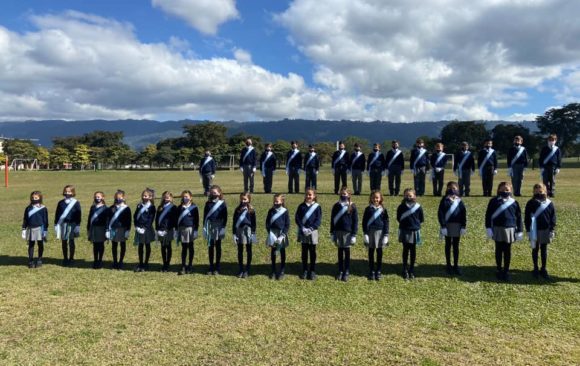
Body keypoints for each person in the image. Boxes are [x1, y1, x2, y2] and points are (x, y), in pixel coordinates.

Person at [485, 182, 523, 282]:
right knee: (498, 249)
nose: (504, 191)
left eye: (507, 190)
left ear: (511, 191)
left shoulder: (514, 202)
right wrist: (488, 227)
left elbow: (519, 217)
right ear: (498, 190)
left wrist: (520, 230)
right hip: (497, 228)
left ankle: (506, 270)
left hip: (510, 229)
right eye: (502, 190)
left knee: (507, 250)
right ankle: (499, 269)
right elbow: (488, 215)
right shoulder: (494, 201)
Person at [524, 183, 556, 279]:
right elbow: (527, 218)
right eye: (536, 191)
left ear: (545, 191)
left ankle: (543, 268)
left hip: (545, 230)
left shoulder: (549, 203)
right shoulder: (530, 203)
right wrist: (528, 230)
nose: (539, 193)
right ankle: (535, 268)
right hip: (534, 230)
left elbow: (553, 217)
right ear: (533, 192)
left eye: (541, 191)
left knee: (544, 250)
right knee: (535, 249)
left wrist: (552, 229)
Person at [437, 182, 467, 275]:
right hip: (447, 226)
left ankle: (456, 265)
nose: (452, 190)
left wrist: (463, 226)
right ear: (446, 189)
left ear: (457, 189)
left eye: (454, 188)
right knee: (448, 245)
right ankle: (448, 265)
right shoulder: (444, 200)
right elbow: (440, 213)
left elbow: (463, 214)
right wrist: (443, 226)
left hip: (457, 226)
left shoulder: (459, 201)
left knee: (456, 246)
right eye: (450, 188)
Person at [330, 187, 358, 281]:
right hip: (338, 232)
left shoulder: (352, 206)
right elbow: (332, 220)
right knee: (340, 251)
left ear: (349, 195)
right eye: (341, 194)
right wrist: (332, 232)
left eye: (345, 194)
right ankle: (340, 270)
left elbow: (355, 221)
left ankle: (346, 271)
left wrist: (354, 234)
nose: (343, 195)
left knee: (347, 252)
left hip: (348, 233)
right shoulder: (336, 206)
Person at [397, 188, 424, 280]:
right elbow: (398, 217)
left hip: (414, 230)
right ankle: (404, 268)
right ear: (404, 196)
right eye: (406, 195)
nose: (408, 197)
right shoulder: (401, 206)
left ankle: (411, 268)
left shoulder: (418, 207)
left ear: (414, 196)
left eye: (410, 195)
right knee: (405, 249)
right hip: (405, 230)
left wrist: (414, 225)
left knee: (413, 249)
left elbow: (421, 218)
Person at [362, 190, 389, 281]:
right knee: (371, 251)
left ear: (380, 198)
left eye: (377, 197)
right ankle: (371, 270)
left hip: (380, 232)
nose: (375, 199)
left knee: (379, 251)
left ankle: (379, 270)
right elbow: (364, 222)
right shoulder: (368, 209)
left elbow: (386, 222)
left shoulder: (383, 210)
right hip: (370, 232)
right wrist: (365, 233)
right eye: (373, 197)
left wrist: (386, 235)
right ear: (370, 198)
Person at [295, 188, 322, 280]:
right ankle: (305, 269)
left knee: (312, 251)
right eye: (307, 194)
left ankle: (313, 270)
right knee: (304, 251)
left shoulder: (317, 207)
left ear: (314, 196)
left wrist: (311, 228)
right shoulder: (301, 206)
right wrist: (302, 227)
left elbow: (318, 220)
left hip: (313, 231)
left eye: (310, 195)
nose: (308, 196)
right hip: (303, 231)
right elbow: (297, 218)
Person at [55, 185, 82, 266]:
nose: (67, 193)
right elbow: (57, 214)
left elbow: (79, 214)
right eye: (66, 191)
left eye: (69, 191)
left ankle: (71, 258)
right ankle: (65, 258)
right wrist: (56, 224)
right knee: (64, 241)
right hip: (63, 224)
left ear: (73, 192)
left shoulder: (76, 203)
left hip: (72, 224)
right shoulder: (61, 203)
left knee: (71, 241)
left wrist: (77, 225)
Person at [203, 185, 228, 275]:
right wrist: (204, 227)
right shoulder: (208, 203)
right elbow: (205, 216)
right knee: (210, 246)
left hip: (218, 226)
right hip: (210, 226)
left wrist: (223, 227)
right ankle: (211, 265)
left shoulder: (222, 203)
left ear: (219, 193)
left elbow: (225, 217)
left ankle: (217, 265)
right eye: (212, 192)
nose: (214, 194)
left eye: (215, 192)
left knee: (218, 246)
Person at [265, 194, 290, 280]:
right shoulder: (271, 211)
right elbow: (267, 223)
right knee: (273, 251)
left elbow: (287, 224)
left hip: (281, 234)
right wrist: (270, 233)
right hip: (273, 233)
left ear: (282, 202)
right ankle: (273, 269)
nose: (276, 203)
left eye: (277, 201)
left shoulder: (285, 211)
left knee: (282, 251)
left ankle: (282, 270)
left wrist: (282, 235)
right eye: (274, 201)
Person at [232, 192, 257, 278]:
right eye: (242, 199)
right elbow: (234, 222)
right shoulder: (237, 209)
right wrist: (234, 233)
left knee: (248, 249)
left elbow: (254, 223)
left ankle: (247, 268)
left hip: (248, 231)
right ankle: (241, 268)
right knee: (240, 250)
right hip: (239, 230)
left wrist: (253, 233)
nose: (243, 201)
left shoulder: (251, 210)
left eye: (245, 199)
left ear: (249, 199)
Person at [22, 191, 48, 268]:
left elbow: (45, 220)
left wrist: (45, 230)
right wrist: (24, 228)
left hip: (40, 228)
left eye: (36, 198)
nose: (34, 199)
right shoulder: (28, 208)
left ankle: (39, 259)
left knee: (40, 244)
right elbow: (25, 219)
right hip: (30, 228)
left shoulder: (43, 208)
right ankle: (30, 260)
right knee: (31, 245)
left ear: (40, 198)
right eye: (32, 198)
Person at [176, 190, 199, 275]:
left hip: (191, 229)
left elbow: (196, 220)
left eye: (186, 196)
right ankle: (183, 265)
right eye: (183, 196)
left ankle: (190, 265)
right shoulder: (179, 207)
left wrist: (196, 230)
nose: (185, 198)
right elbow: (176, 219)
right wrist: (176, 230)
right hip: (182, 229)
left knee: (191, 247)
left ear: (191, 197)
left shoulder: (194, 207)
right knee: (184, 248)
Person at [133, 188, 156, 272]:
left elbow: (151, 219)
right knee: (140, 246)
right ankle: (141, 262)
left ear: (150, 197)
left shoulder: (152, 207)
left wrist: (145, 228)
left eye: (146, 196)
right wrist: (136, 226)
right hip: (139, 228)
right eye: (143, 195)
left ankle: (146, 263)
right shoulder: (139, 205)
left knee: (147, 245)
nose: (144, 197)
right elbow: (135, 216)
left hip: (147, 229)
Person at [108, 190, 131, 270]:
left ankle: (121, 261)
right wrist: (107, 230)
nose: (118, 199)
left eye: (120, 198)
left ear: (123, 198)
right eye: (116, 198)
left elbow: (129, 220)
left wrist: (128, 230)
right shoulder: (112, 208)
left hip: (122, 229)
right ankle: (115, 262)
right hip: (113, 229)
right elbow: (108, 219)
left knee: (122, 245)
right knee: (114, 245)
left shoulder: (126, 208)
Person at [156, 191, 178, 272]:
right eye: (165, 196)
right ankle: (164, 263)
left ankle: (167, 264)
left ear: (171, 198)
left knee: (168, 247)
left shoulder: (173, 207)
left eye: (168, 197)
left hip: (169, 230)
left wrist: (175, 229)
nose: (166, 198)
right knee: (162, 247)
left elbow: (175, 220)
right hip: (160, 230)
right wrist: (157, 229)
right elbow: (157, 219)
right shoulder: (159, 207)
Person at [87, 191, 108, 269]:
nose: (97, 198)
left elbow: (107, 220)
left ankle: (100, 260)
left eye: (98, 197)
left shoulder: (105, 208)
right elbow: (89, 218)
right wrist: (88, 228)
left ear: (103, 197)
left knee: (100, 245)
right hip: (93, 228)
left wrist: (107, 230)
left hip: (101, 228)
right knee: (95, 245)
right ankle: (95, 260)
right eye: (95, 197)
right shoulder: (92, 207)